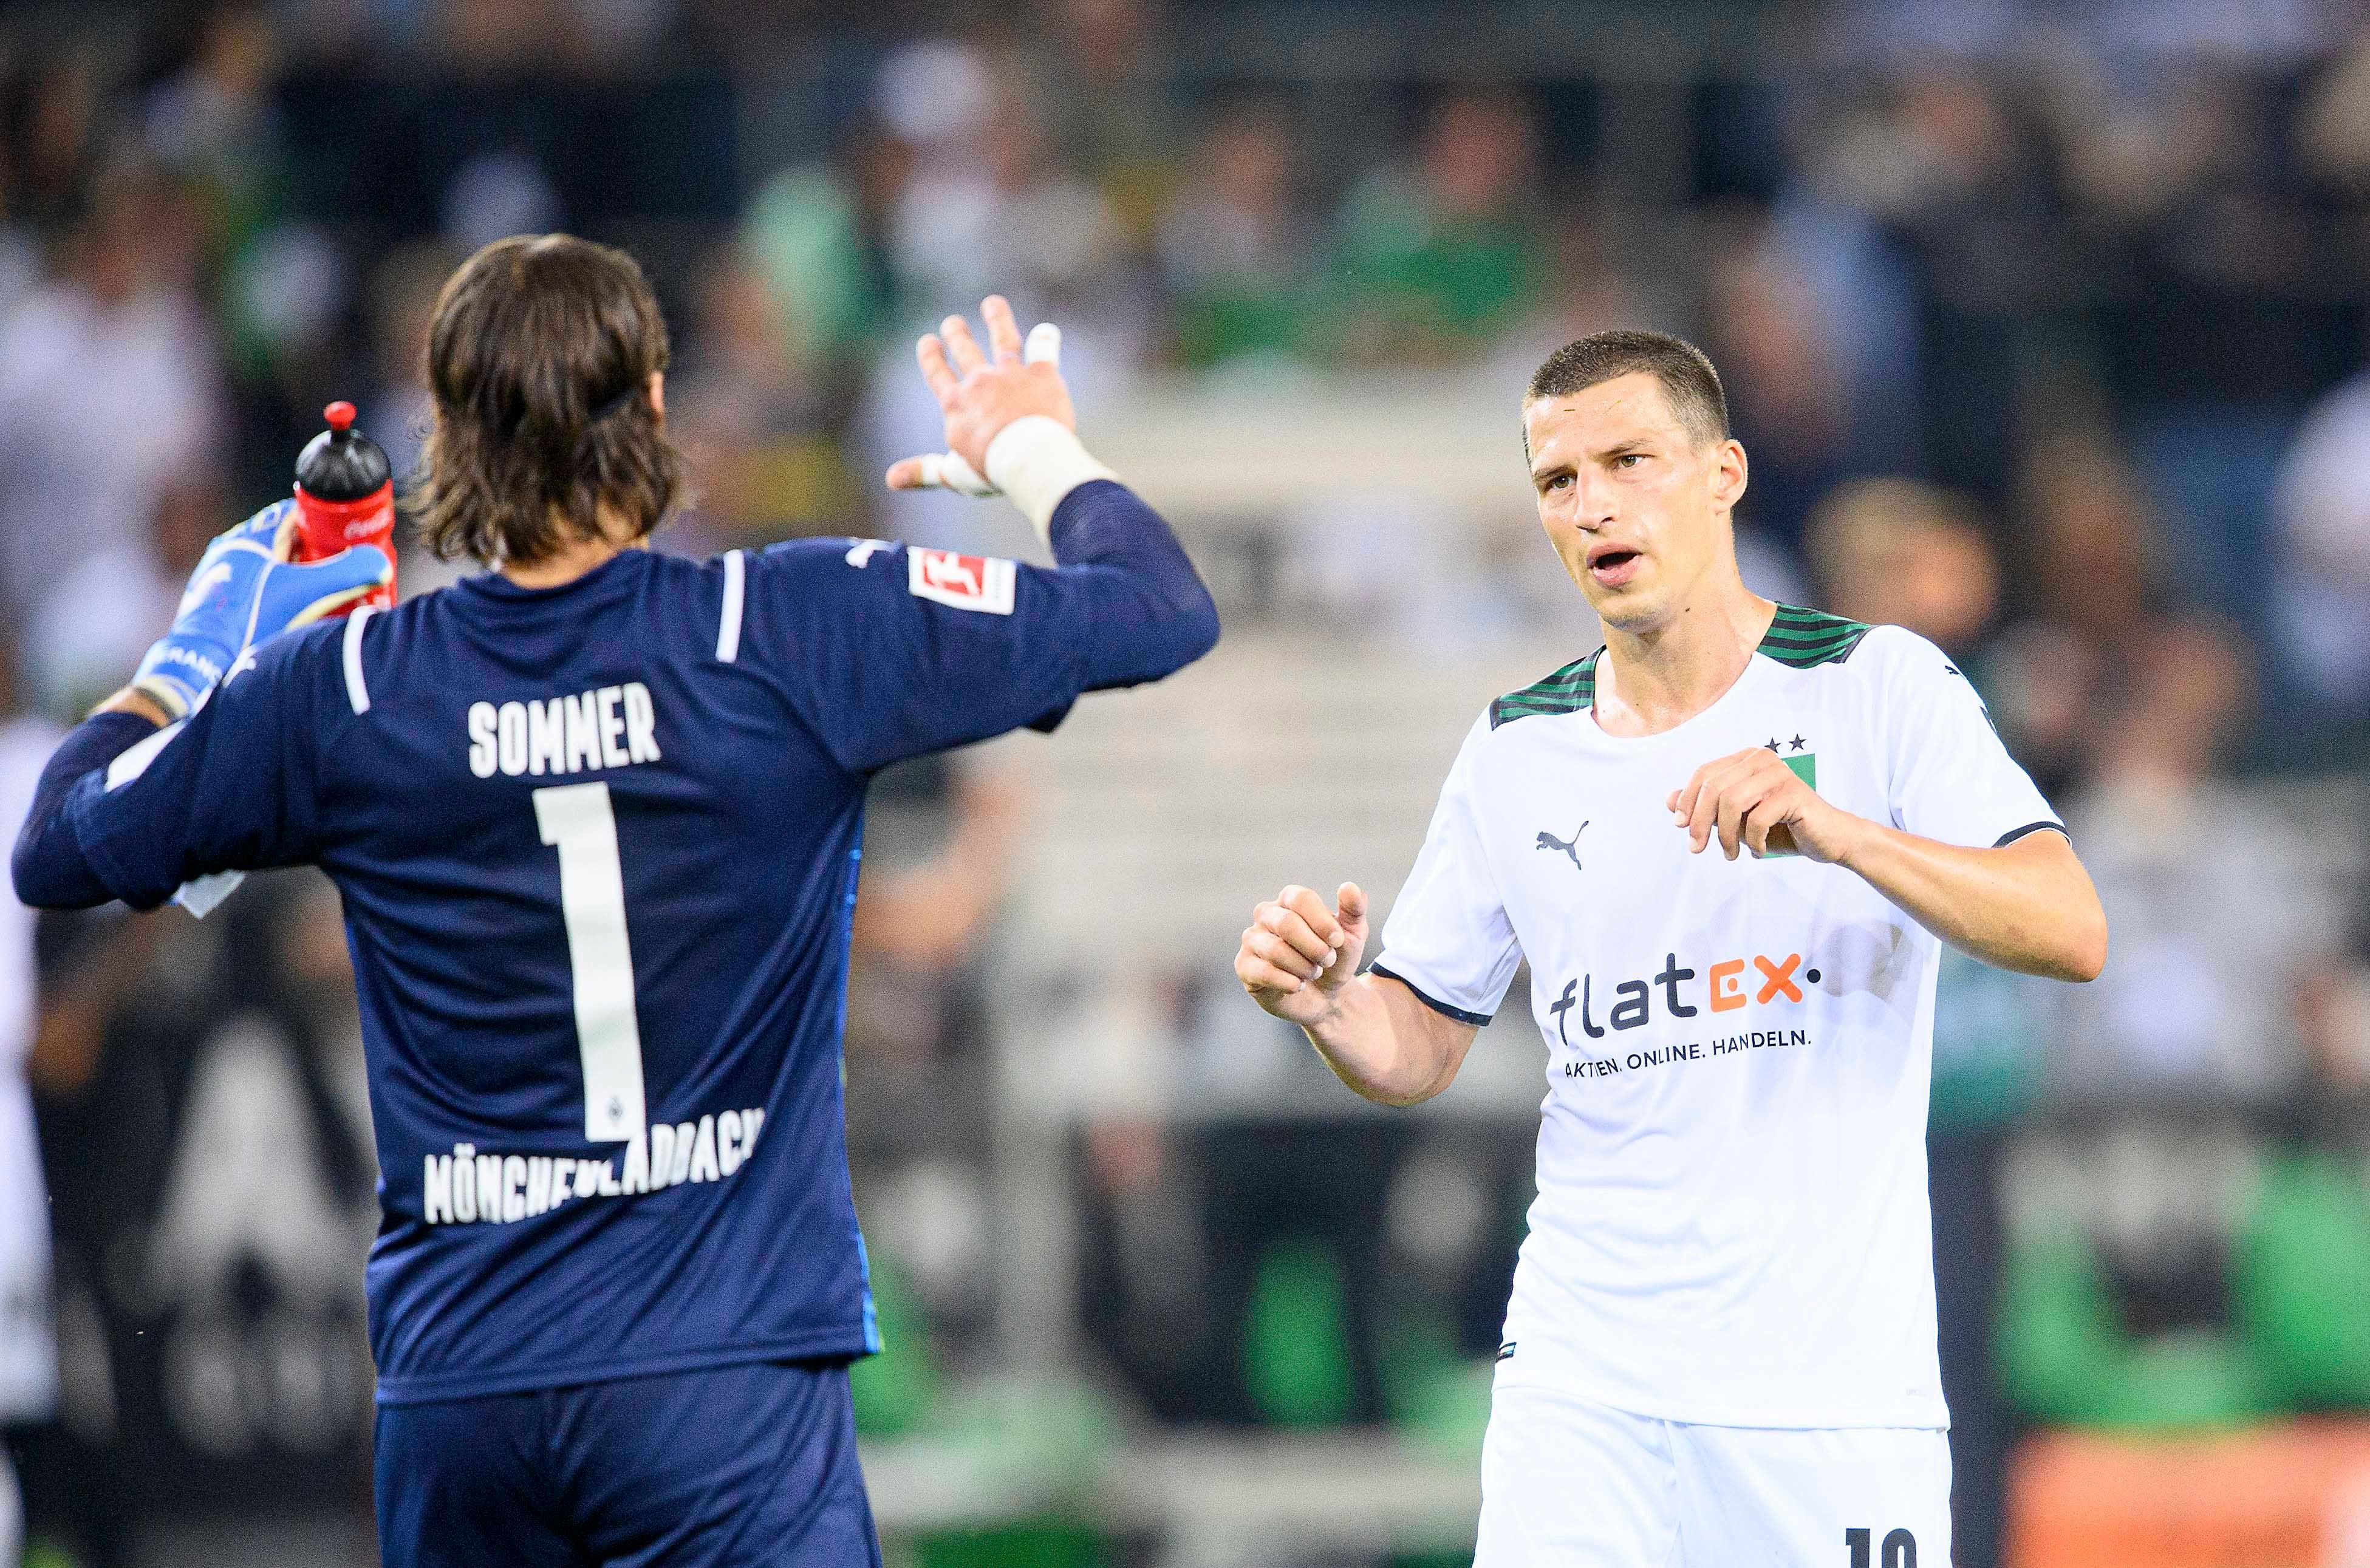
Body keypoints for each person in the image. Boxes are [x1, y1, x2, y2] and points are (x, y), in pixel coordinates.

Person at [13, 233, 1218, 1567]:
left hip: (465, 1389)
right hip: (722, 1383)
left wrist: (197, 653)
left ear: (448, 440)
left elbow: (58, 846)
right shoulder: (784, 626)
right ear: (651, 406)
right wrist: (1031, 448)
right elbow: (1158, 609)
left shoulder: (346, 687)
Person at [1232, 330, 2105, 1564]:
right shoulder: (1514, 748)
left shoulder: (1878, 689)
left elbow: (2067, 925)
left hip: (1826, 1393)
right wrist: (1330, 1006)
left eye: (1629, 460)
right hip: (1586, 1384)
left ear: (1723, 474)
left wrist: (1841, 832)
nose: (1593, 505)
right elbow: (1418, 1040)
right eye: (1558, 481)